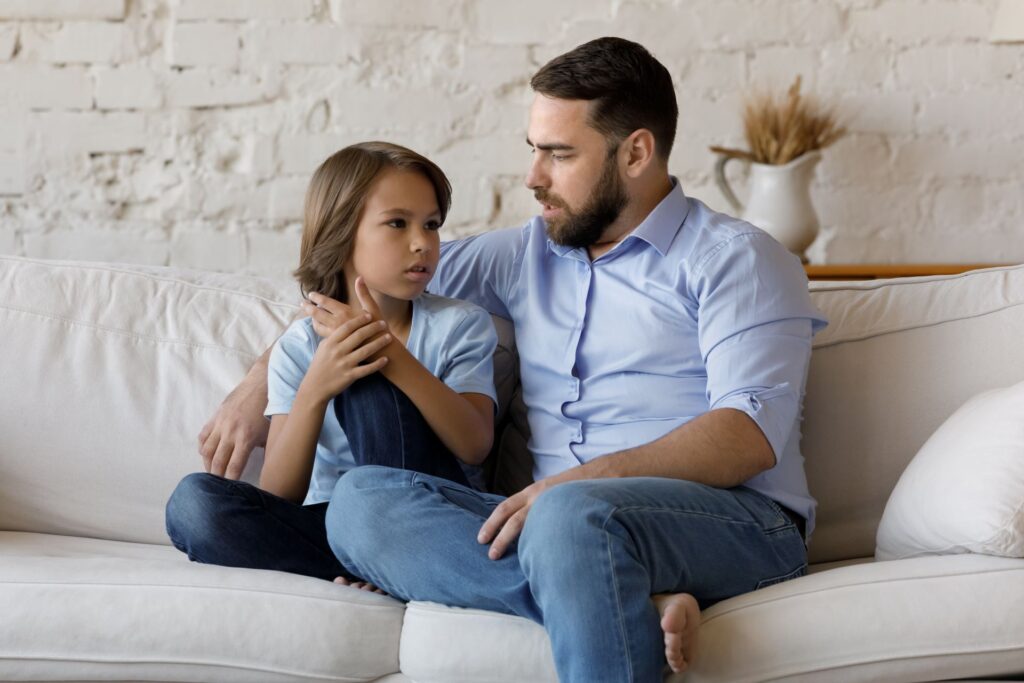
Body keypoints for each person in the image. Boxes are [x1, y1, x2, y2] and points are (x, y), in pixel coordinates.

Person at [198, 37, 828, 681]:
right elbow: (363, 287)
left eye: (559, 154)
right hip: (544, 518)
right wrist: (258, 383)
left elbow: (749, 433)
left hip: (730, 522)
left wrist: (575, 486)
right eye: (534, 150)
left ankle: (592, 574)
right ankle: (618, 598)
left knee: (570, 517)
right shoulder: (520, 254)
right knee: (363, 503)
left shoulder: (737, 259)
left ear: (636, 151)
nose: (533, 177)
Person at [165, 142, 498, 593]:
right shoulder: (299, 348)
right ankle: (374, 570)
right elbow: (280, 493)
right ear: (341, 234)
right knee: (193, 505)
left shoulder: (459, 324)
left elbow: (475, 444)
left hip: (430, 516)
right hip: (336, 527)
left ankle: (401, 556)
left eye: (432, 224)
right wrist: (316, 388)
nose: (423, 242)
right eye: (397, 223)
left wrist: (392, 356)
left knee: (364, 369)